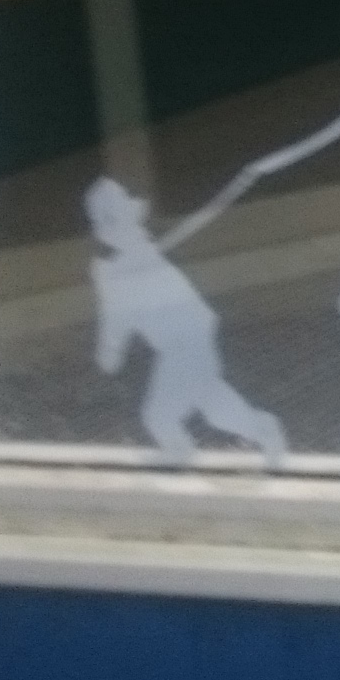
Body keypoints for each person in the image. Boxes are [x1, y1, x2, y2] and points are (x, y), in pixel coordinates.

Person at [85, 176, 286, 464]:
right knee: (214, 405)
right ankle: (263, 429)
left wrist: (111, 351)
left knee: (159, 416)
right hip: (189, 340)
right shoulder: (121, 265)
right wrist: (111, 349)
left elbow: (117, 317)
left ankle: (180, 450)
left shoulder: (128, 263)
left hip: (184, 343)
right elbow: (118, 314)